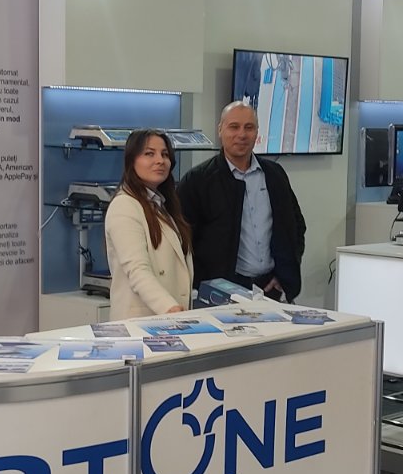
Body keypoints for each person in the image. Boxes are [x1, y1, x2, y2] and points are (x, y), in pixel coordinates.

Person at [179, 100, 307, 302]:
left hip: (271, 289)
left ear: (257, 133)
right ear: (220, 130)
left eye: (249, 127)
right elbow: (183, 240)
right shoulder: (198, 180)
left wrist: (285, 275)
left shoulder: (275, 175)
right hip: (220, 292)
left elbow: (296, 226)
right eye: (234, 127)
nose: (242, 134)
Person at [103, 129, 194, 320]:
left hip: (170, 320)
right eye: (149, 154)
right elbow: (137, 270)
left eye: (165, 154)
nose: (160, 160)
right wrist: (170, 308)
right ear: (132, 160)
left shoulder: (162, 204)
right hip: (142, 321)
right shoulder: (124, 206)